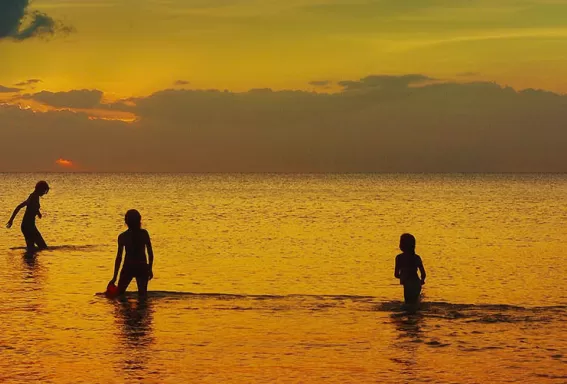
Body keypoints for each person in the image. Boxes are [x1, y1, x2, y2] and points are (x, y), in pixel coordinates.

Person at [109, 209, 154, 297]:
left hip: (128, 267)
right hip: (142, 266)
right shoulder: (144, 234)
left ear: (126, 221)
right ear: (139, 220)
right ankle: (142, 310)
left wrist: (115, 277)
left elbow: (119, 258)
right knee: (143, 296)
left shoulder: (123, 236)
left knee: (120, 295)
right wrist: (150, 268)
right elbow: (150, 253)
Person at [6, 181, 50, 252]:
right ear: (40, 189)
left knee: (32, 249)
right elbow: (19, 207)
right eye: (44, 190)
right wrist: (11, 220)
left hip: (30, 226)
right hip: (27, 226)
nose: (44, 193)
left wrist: (38, 213)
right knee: (43, 247)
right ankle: (27, 261)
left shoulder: (36, 197)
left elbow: (33, 207)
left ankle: (27, 261)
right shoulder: (32, 196)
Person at [394, 233, 426, 305]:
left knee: (408, 304)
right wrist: (422, 280)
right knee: (415, 303)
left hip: (407, 284)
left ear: (401, 246)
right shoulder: (417, 257)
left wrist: (402, 276)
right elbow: (423, 274)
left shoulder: (399, 258)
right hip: (417, 283)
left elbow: (396, 274)